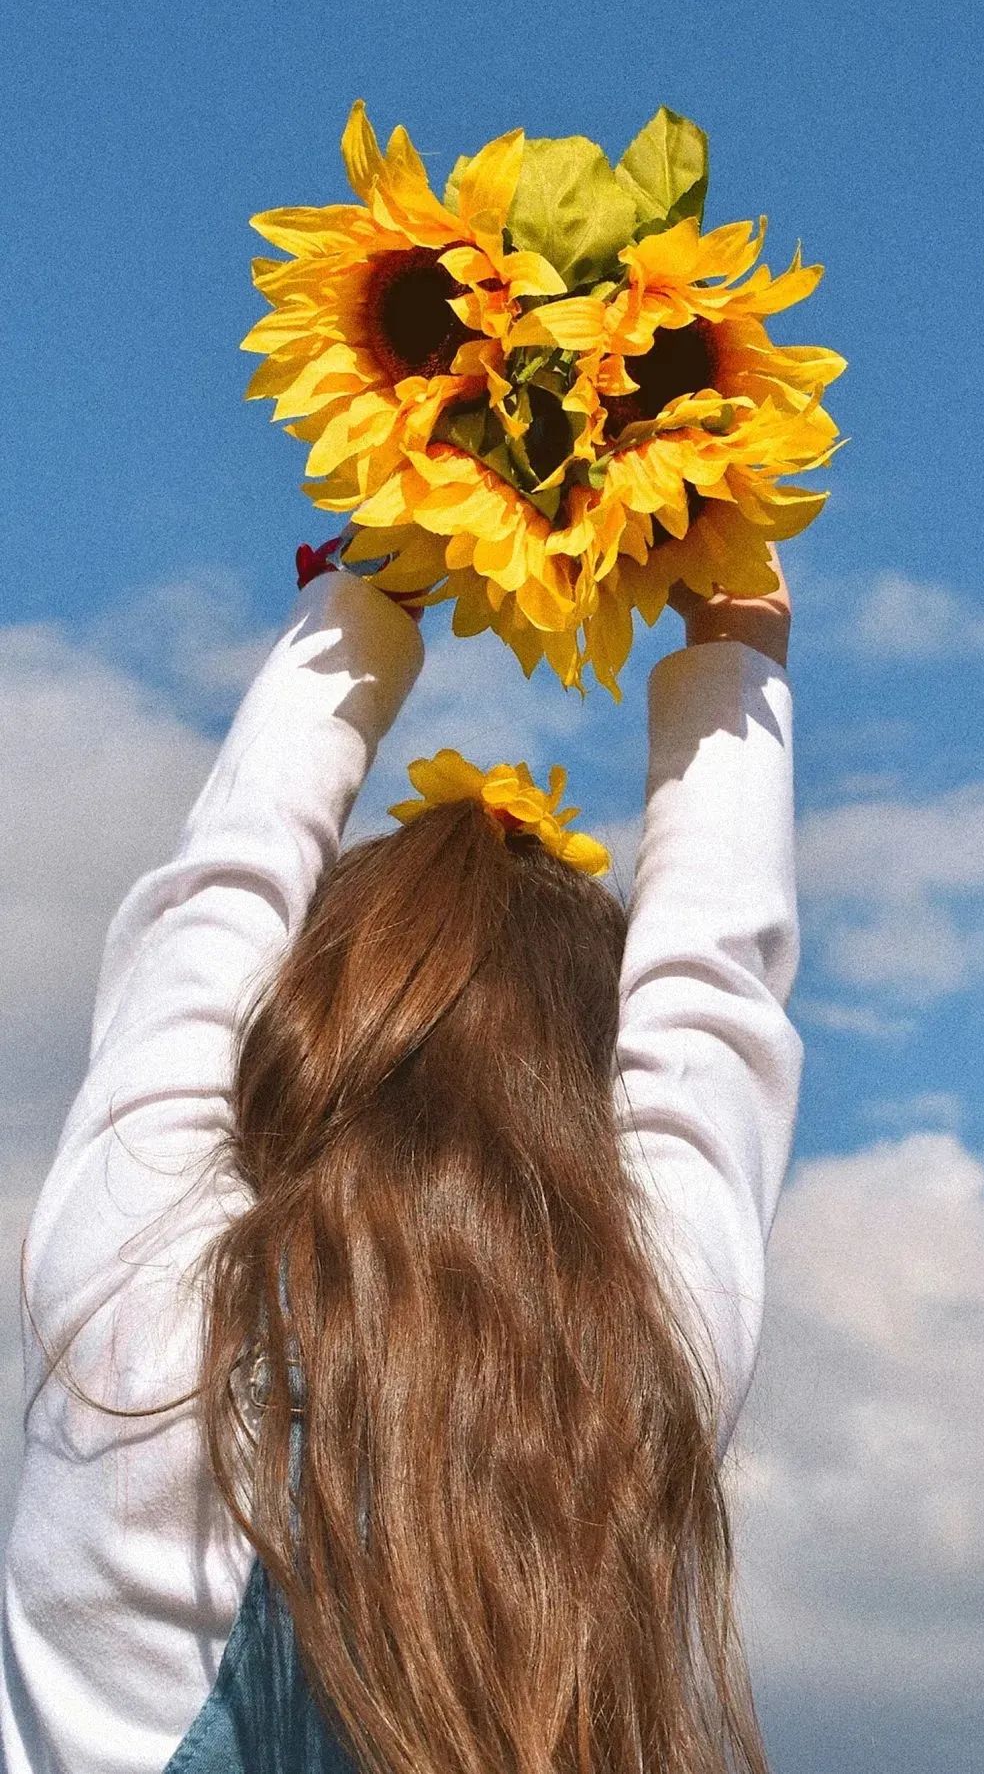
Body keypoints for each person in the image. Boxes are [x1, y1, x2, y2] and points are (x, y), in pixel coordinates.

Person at [1, 555, 802, 1774]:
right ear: (592, 1094)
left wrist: (375, 582)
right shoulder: (638, 1359)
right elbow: (715, 998)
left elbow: (215, 898)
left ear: (298, 1028)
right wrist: (735, 629)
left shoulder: (133, 1308)